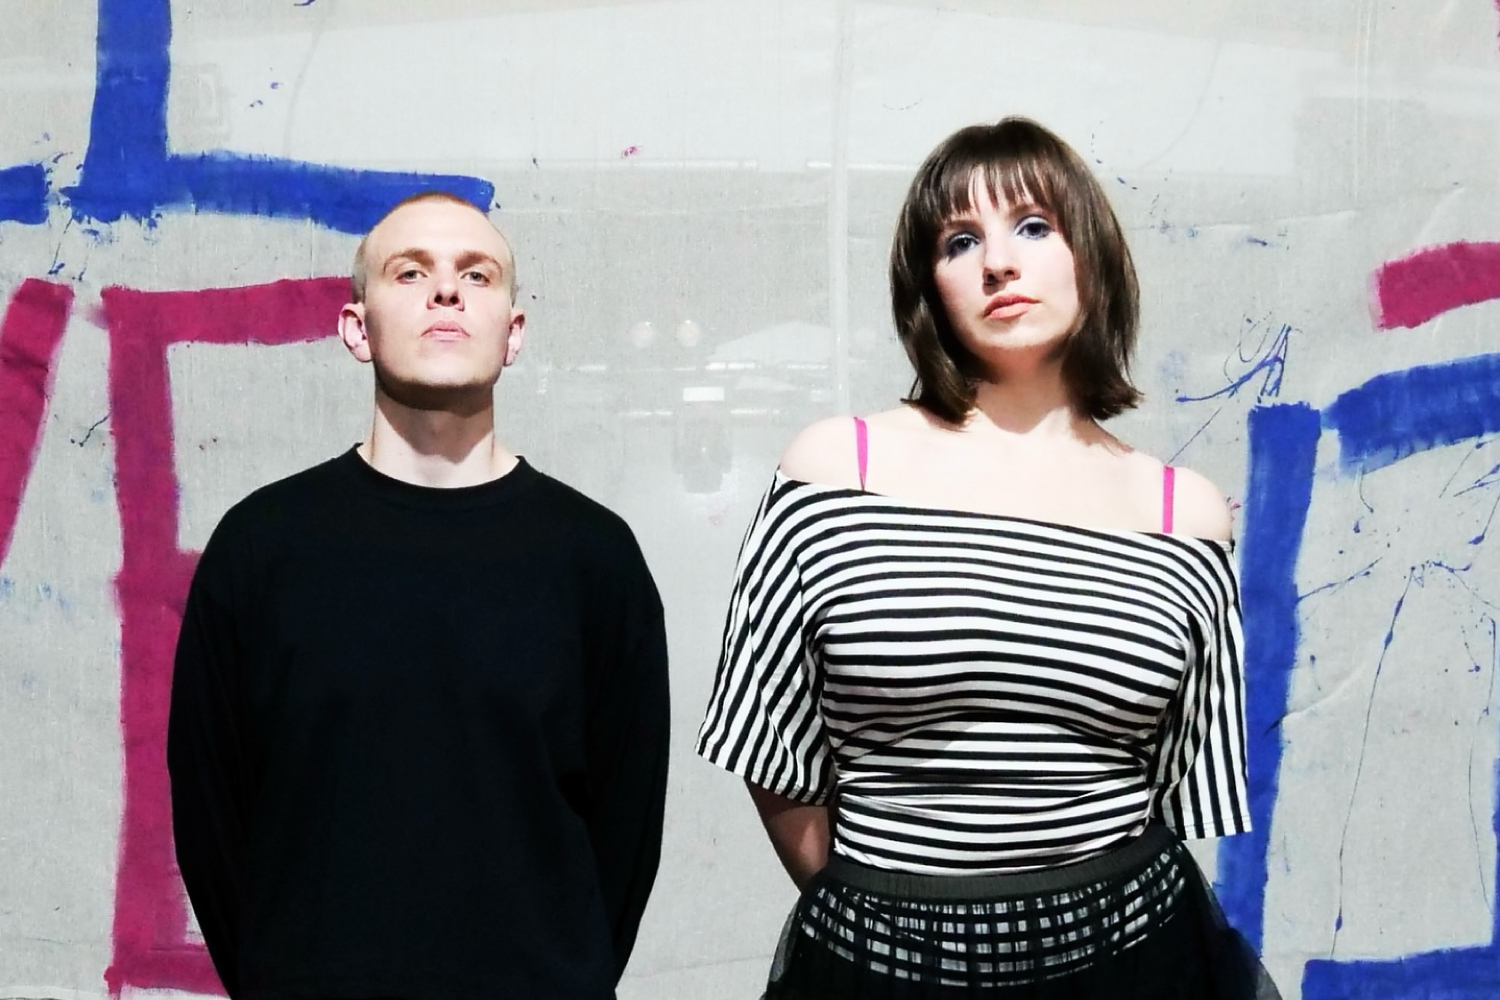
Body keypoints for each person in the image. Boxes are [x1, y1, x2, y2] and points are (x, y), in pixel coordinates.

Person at [696, 119, 1279, 998]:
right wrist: (897, 924)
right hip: (884, 963)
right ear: (928, 287)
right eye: (960, 241)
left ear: (1091, 257)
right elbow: (773, 750)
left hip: (1132, 959)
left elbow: (1173, 782)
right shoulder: (835, 468)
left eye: (1034, 226)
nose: (998, 263)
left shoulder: (1182, 512)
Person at [168, 191, 670, 1000]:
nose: (446, 291)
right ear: (356, 328)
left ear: (513, 333)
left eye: (477, 274)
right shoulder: (261, 548)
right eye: (410, 272)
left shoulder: (596, 558)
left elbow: (626, 829)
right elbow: (210, 815)